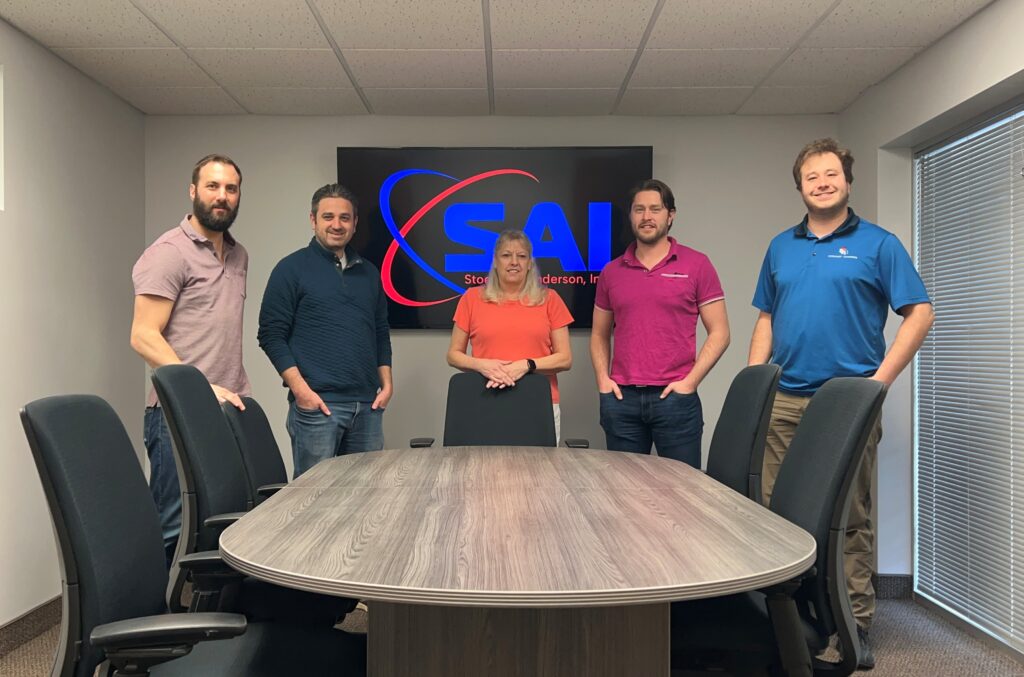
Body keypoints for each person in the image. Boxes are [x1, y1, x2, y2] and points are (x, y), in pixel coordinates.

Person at [749, 138, 934, 669]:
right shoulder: (781, 247)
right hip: (785, 399)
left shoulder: (879, 244)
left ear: (847, 182)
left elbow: (919, 312)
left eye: (831, 174)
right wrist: (757, 382)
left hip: (847, 404)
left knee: (848, 517)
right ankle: (788, 624)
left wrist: (878, 382)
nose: (823, 182)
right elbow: (765, 317)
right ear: (800, 186)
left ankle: (850, 629)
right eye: (812, 176)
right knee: (773, 517)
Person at [130, 153, 250, 567]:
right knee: (172, 526)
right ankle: (159, 626)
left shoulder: (238, 255)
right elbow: (143, 335)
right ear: (193, 191)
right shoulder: (169, 252)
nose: (222, 196)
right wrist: (201, 389)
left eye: (230, 189)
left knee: (222, 522)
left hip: (229, 406)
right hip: (176, 413)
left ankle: (210, 619)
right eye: (213, 186)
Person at [590, 179, 730, 468]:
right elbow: (599, 334)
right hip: (622, 400)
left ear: (671, 215)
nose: (647, 216)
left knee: (683, 493)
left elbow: (720, 333)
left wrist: (690, 382)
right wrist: (603, 381)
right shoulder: (611, 272)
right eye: (639, 209)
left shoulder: (697, 264)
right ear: (631, 216)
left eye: (655, 209)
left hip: (675, 399)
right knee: (624, 494)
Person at [258, 183, 392, 478]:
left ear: (355, 223)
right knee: (313, 503)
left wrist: (387, 384)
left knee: (366, 499)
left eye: (345, 218)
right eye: (328, 217)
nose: (336, 224)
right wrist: (301, 391)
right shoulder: (291, 269)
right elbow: (270, 334)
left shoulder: (370, 273)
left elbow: (380, 331)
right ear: (313, 220)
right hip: (318, 408)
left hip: (367, 408)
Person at [446, 229, 573, 439]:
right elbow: (453, 355)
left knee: (541, 471)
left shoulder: (550, 299)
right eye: (506, 255)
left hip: (539, 403)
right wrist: (482, 364)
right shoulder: (471, 298)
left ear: (530, 263)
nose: (514, 262)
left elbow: (565, 359)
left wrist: (525, 365)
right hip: (485, 400)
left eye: (521, 256)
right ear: (495, 261)